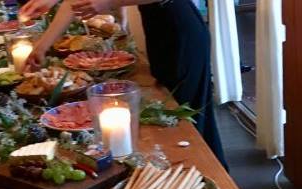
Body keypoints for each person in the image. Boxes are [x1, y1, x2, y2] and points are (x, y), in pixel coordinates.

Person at [19, 0, 228, 168]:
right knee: (175, 107)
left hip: (181, 29)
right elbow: (73, 3)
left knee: (189, 114)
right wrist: (42, 46)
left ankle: (206, 176)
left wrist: (108, 3)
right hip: (161, 30)